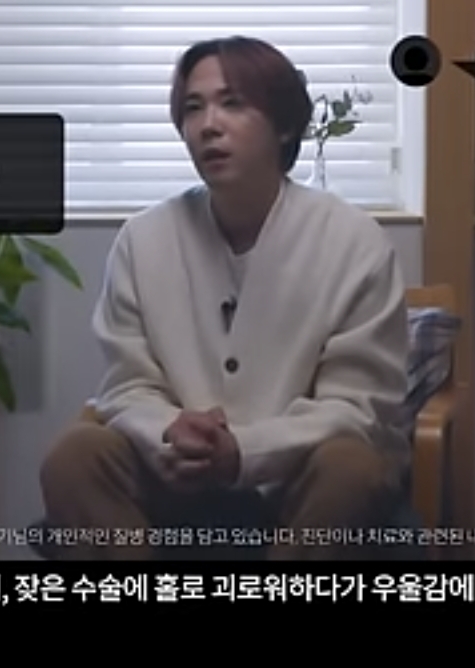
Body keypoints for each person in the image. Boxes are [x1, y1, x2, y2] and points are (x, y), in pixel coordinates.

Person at [39, 36, 410, 560]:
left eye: (232, 103)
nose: (208, 125)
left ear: (284, 126)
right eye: (194, 108)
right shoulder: (144, 238)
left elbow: (355, 407)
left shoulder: (353, 240)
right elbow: (129, 385)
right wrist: (169, 433)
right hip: (173, 472)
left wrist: (245, 452)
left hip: (297, 473)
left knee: (352, 467)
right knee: (75, 456)